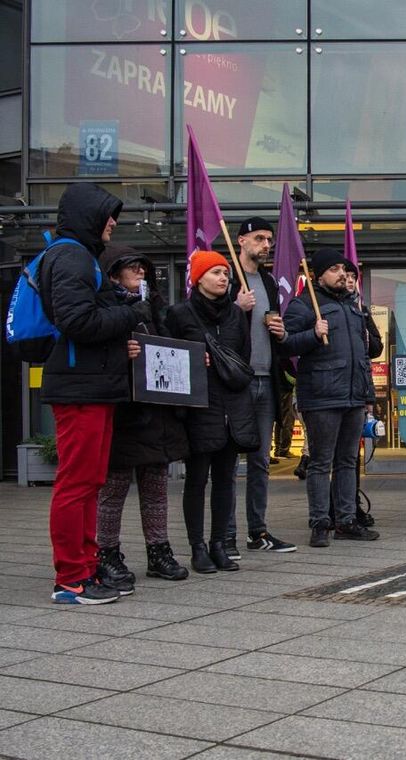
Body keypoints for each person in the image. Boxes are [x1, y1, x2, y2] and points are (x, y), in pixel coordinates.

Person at [40, 184, 148, 604]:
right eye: (107, 215)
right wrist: (129, 313)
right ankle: (70, 579)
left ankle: (84, 570)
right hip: (80, 386)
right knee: (77, 483)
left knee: (89, 481)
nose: (112, 223)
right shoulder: (70, 255)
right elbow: (77, 321)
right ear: (88, 215)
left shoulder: (78, 256)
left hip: (91, 385)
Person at [94, 246, 191, 589]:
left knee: (155, 486)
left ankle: (159, 552)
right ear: (113, 273)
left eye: (143, 268)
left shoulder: (156, 307)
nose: (140, 272)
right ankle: (106, 554)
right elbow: (94, 350)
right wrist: (122, 352)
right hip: (123, 410)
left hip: (157, 411)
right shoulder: (105, 306)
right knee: (114, 487)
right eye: (132, 267)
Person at [166, 252, 259, 573]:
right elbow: (169, 358)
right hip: (199, 407)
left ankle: (220, 544)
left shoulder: (235, 314)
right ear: (199, 277)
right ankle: (198, 547)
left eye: (225, 273)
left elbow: (243, 355)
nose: (223, 278)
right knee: (196, 480)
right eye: (216, 272)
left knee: (225, 480)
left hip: (232, 408)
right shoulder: (179, 314)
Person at [283, 248, 381, 547]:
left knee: (348, 462)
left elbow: (363, 355)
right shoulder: (303, 305)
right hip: (322, 396)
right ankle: (320, 523)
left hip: (353, 396)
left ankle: (347, 520)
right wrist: (312, 334)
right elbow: (285, 346)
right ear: (319, 274)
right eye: (335, 269)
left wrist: (367, 395)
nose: (342, 274)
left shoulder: (354, 307)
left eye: (345, 269)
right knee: (321, 462)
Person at [225, 217, 295, 558]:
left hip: (266, 379)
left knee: (260, 461)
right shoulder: (226, 278)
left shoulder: (268, 282)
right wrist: (235, 309)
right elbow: (208, 322)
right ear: (241, 241)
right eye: (258, 238)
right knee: (226, 460)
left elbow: (270, 324)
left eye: (269, 239)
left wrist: (279, 331)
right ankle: (225, 534)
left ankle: (258, 530)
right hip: (235, 380)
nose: (266, 245)